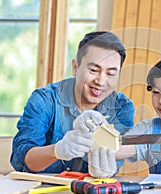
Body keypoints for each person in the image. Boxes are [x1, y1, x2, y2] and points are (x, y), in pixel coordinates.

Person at [10, 31, 135, 176]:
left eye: (111, 74)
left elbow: (123, 149)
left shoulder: (122, 107)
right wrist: (58, 150)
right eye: (94, 70)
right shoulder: (45, 100)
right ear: (75, 67)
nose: (101, 81)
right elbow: (22, 159)